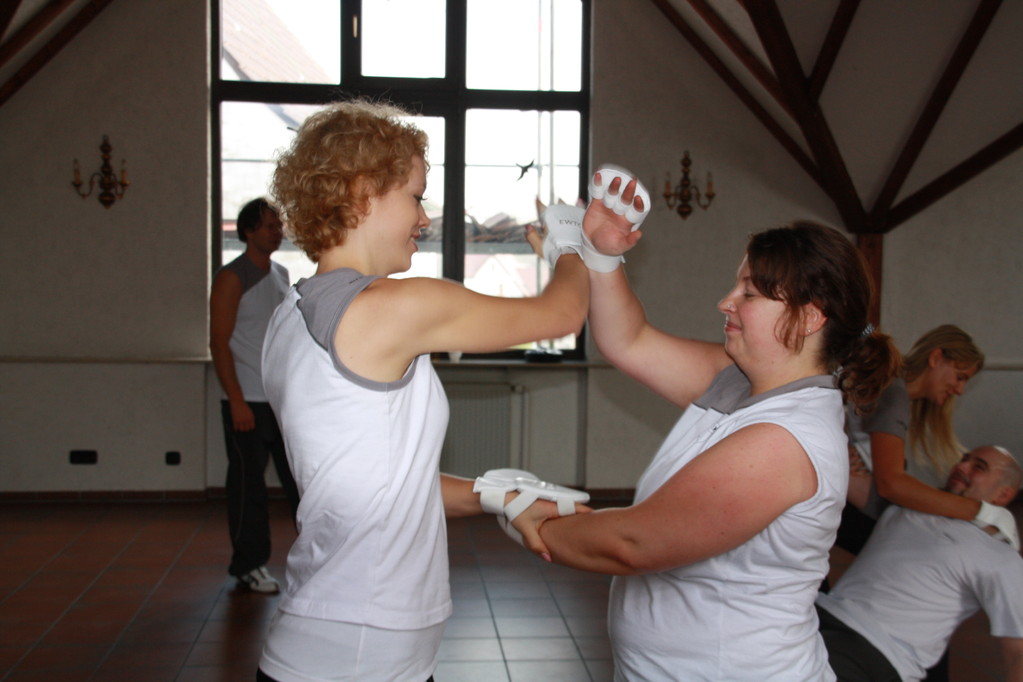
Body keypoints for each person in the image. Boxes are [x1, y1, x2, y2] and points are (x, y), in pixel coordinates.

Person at [514, 174, 902, 680]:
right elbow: (627, 340)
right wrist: (603, 256)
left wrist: (530, 519)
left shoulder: (784, 441)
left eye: (750, 293)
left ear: (809, 318)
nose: (726, 301)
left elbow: (634, 544)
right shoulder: (739, 380)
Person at [254, 99, 590, 682]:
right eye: (415, 196)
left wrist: (494, 494)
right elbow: (562, 314)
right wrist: (573, 244)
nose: (425, 218)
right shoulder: (393, 309)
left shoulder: (289, 315)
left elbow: (381, 485)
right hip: (359, 658)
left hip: (342, 645)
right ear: (362, 191)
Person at [816, 445, 1023, 682]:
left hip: (875, 649)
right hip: (819, 615)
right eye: (965, 459)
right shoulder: (911, 506)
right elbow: (840, 470)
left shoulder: (999, 556)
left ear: (1002, 495)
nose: (962, 466)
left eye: (979, 467)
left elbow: (1018, 652)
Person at [210, 197, 300, 594]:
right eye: (268, 225)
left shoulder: (282, 274)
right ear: (248, 231)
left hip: (283, 402)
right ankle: (249, 565)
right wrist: (237, 400)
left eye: (278, 224)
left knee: (301, 485)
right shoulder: (232, 277)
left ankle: (317, 561)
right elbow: (218, 342)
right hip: (246, 400)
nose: (276, 231)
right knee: (250, 489)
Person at [838, 324, 986, 556]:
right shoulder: (893, 393)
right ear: (936, 358)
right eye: (960, 377)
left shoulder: (896, 393)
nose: (960, 390)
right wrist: (978, 511)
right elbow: (891, 484)